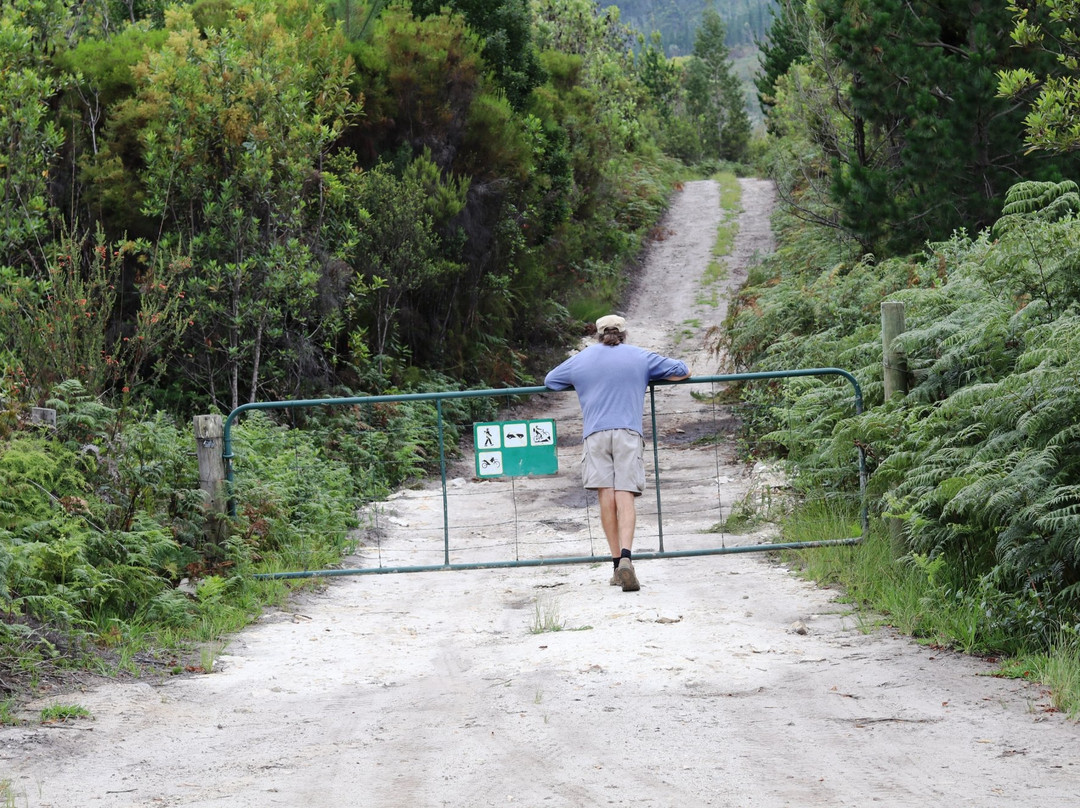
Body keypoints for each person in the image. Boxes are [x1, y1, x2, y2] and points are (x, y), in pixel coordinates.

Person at [544, 314, 689, 591]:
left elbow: (551, 380)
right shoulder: (640, 356)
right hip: (628, 433)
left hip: (595, 434)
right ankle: (626, 559)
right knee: (625, 496)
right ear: (624, 334)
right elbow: (683, 369)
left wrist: (581, 383)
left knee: (606, 498)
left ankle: (614, 567)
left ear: (597, 335)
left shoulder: (582, 359)